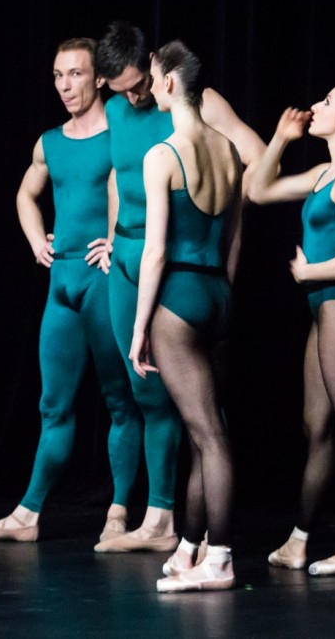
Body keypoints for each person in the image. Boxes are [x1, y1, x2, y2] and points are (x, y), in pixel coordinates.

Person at [92, 21, 265, 554]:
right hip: (128, 261)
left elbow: (253, 163)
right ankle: (174, 532)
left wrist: (218, 251)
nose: (135, 95)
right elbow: (118, 179)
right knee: (141, 391)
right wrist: (109, 235)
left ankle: (173, 523)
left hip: (176, 266)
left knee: (191, 410)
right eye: (122, 89)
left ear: (155, 68)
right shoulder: (118, 110)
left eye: (139, 82)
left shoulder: (198, 102)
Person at [0, 37, 142, 544]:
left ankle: (117, 511)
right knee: (53, 405)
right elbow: (26, 194)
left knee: (119, 400)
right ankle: (28, 513)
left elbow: (137, 186)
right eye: (57, 75)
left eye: (75, 74)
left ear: (97, 78)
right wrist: (36, 242)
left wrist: (116, 240)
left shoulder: (122, 128)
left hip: (105, 280)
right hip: (62, 280)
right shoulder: (49, 141)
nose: (65, 85)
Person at [245, 84, 335, 576]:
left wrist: (308, 274)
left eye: (328, 103)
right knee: (316, 427)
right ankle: (299, 540)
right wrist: (280, 140)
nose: (318, 108)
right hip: (323, 310)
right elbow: (256, 191)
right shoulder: (326, 172)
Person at [128, 41, 242, 591]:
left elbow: (154, 252)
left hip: (179, 297)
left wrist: (138, 326)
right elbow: (236, 236)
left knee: (210, 435)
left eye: (152, 78)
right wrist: (223, 294)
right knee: (205, 432)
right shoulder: (228, 151)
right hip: (218, 293)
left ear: (171, 81)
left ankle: (219, 559)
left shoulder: (164, 154)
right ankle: (189, 549)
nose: (149, 87)